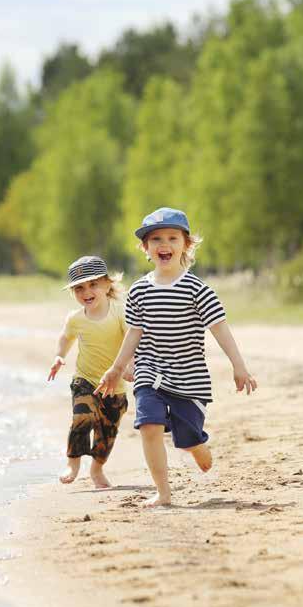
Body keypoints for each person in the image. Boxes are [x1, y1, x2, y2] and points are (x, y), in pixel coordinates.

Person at [95, 207, 257, 506]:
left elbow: (220, 329)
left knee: (188, 438)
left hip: (189, 377)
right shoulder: (139, 290)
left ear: (186, 244)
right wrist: (117, 368)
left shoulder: (197, 289)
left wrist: (239, 366)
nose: (164, 244)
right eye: (156, 239)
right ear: (145, 248)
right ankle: (163, 492)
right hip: (149, 371)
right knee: (149, 426)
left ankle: (197, 445)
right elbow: (133, 333)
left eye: (172, 237)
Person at [48, 255, 132, 488]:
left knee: (107, 432)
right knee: (82, 417)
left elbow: (131, 341)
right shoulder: (75, 318)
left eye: (93, 284)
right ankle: (73, 463)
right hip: (85, 380)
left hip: (115, 386)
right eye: (79, 288)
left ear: (107, 284)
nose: (86, 292)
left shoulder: (120, 313)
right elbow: (66, 337)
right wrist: (59, 356)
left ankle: (96, 470)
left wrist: (129, 365)